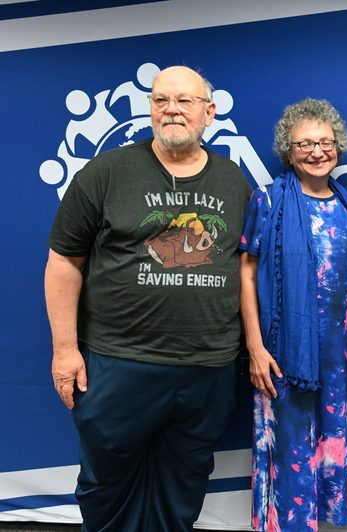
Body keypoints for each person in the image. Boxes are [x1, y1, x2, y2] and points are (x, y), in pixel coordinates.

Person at [44, 66, 252, 531]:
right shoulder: (106, 172)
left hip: (208, 368)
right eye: (161, 100)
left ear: (209, 111)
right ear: (150, 108)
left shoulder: (234, 182)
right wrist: (64, 350)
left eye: (184, 100)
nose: (171, 109)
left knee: (185, 481)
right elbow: (63, 263)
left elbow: (244, 267)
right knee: (105, 483)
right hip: (119, 363)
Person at [240, 98, 347, 531]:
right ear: (288, 152)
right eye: (304, 143)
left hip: (338, 357)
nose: (316, 151)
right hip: (283, 355)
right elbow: (247, 273)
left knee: (329, 445)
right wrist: (255, 347)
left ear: (338, 147)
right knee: (289, 451)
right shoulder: (269, 200)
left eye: (325, 142)